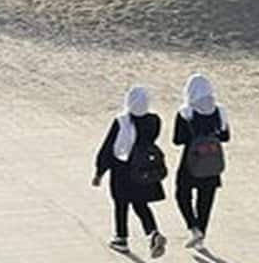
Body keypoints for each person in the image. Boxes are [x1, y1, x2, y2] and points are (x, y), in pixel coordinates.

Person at [94, 86, 168, 258]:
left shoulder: (122, 121)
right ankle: (153, 233)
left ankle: (121, 239)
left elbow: (108, 147)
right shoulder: (154, 120)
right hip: (143, 167)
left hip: (122, 168)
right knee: (141, 203)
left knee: (121, 204)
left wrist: (99, 172)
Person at [173, 73, 230, 250]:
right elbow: (225, 136)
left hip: (191, 160)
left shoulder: (185, 112)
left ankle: (193, 227)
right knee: (205, 201)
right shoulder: (220, 110)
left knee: (182, 194)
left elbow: (177, 140)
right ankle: (201, 238)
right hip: (212, 161)